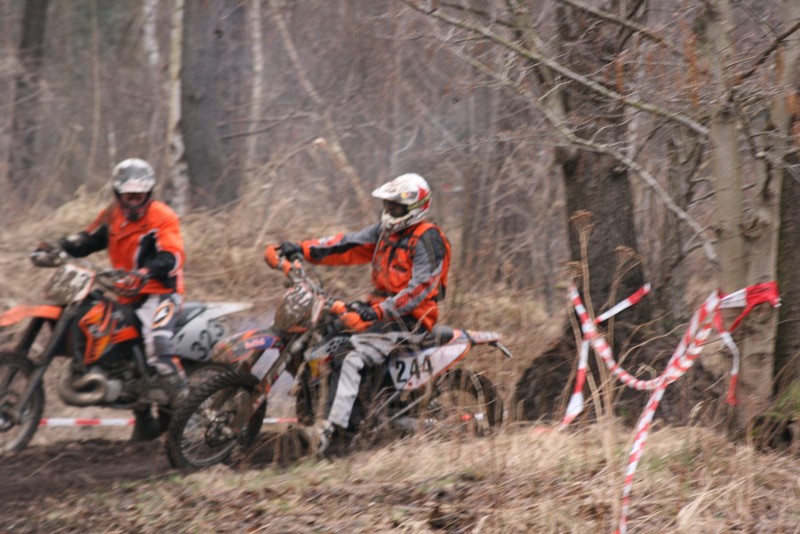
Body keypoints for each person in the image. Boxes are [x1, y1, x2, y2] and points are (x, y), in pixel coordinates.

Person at [268, 172, 450, 455]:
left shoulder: (429, 239)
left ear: (415, 207)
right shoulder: (385, 233)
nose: (390, 211)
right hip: (380, 312)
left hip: (410, 321)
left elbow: (419, 290)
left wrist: (373, 313)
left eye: (397, 207)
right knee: (327, 333)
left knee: (348, 354)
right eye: (388, 205)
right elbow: (346, 245)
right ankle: (333, 407)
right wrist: (301, 249)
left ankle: (327, 430)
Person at [56, 158, 187, 441]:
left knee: (157, 345)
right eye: (129, 196)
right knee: (116, 350)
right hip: (126, 293)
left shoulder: (162, 216)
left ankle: (188, 414)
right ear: (118, 194)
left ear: (149, 193)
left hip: (160, 293)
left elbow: (172, 255)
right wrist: (57, 247)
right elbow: (87, 240)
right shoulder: (111, 215)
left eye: (139, 195)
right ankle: (144, 419)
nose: (134, 201)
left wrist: (145, 272)